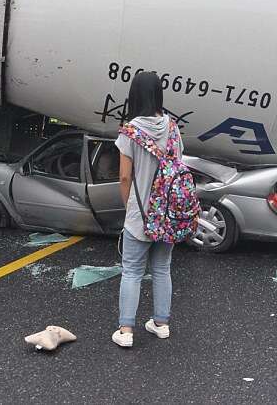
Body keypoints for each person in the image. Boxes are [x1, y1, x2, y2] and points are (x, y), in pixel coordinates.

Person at [112, 71, 176, 348]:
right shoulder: (172, 129)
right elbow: (176, 168)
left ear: (134, 95)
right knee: (162, 268)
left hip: (140, 214)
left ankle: (126, 331)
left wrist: (130, 207)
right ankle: (161, 324)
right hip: (169, 214)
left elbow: (125, 177)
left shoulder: (131, 131)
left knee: (132, 271)